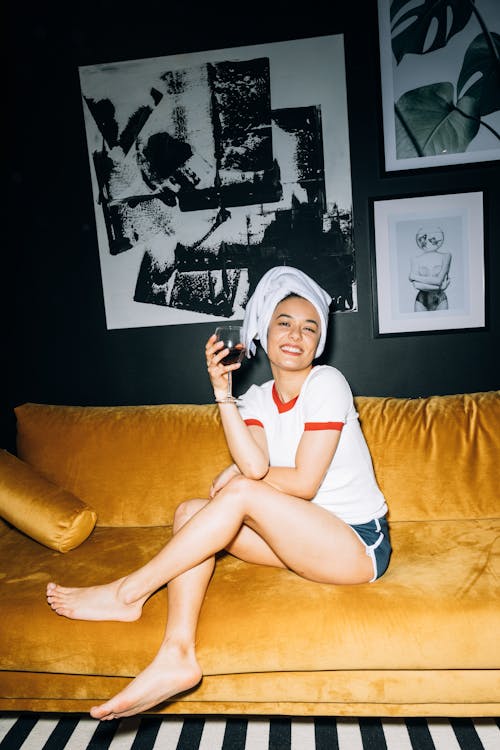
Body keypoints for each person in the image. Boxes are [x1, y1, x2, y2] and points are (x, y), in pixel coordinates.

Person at [46, 265, 391, 721]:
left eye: (310, 327)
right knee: (191, 511)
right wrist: (223, 393)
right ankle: (178, 654)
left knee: (239, 493)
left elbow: (302, 482)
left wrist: (238, 481)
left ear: (319, 340)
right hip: (305, 541)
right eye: (283, 322)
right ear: (264, 333)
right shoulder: (258, 399)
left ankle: (129, 593)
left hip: (357, 545)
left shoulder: (327, 383)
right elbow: (256, 466)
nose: (296, 334)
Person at [409, 226, 452, 312]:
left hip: (440, 300)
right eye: (423, 238)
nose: (427, 241)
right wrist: (440, 287)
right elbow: (416, 285)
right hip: (421, 300)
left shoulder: (446, 256)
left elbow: (439, 281)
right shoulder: (415, 259)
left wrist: (414, 277)